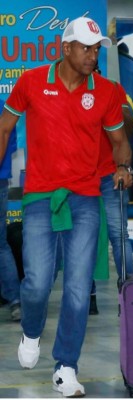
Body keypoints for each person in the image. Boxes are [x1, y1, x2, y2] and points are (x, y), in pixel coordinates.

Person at [0, 17, 133, 397]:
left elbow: (119, 139)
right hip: (41, 195)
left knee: (77, 288)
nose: (93, 55)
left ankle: (66, 366)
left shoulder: (106, 92)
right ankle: (30, 333)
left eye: (97, 49)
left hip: (86, 196)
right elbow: (5, 126)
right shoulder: (32, 82)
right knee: (38, 283)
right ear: (65, 48)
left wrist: (123, 165)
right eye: (86, 48)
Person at [89, 64, 133, 316]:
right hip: (80, 177)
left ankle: (128, 292)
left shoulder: (114, 89)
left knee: (119, 236)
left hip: (110, 174)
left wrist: (114, 109)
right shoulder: (67, 93)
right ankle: (88, 294)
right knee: (84, 238)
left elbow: (129, 125)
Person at [0, 99, 21, 322]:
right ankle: (15, 301)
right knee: (1, 244)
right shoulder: (5, 108)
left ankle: (15, 299)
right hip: (2, 181)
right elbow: (11, 145)